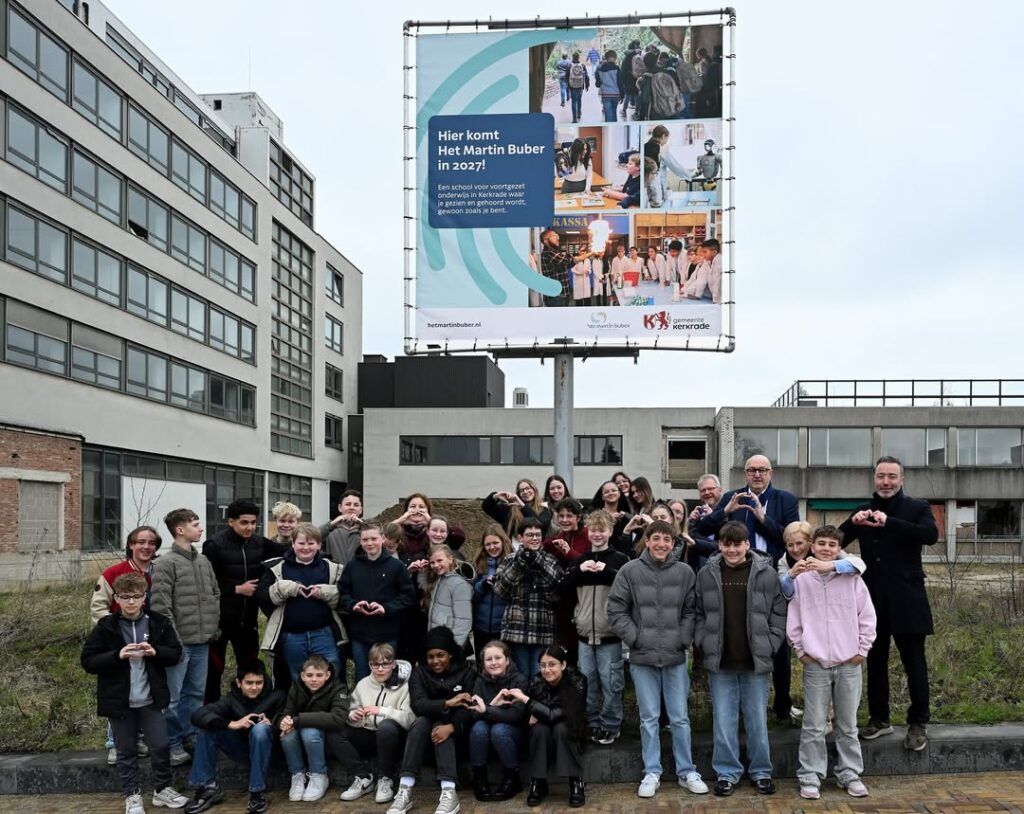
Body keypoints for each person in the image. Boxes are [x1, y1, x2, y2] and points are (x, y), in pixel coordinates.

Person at [839, 455, 939, 751]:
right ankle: (880, 719)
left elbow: (930, 535)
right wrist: (850, 525)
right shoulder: (862, 510)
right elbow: (834, 542)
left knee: (914, 662)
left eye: (892, 477)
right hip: (872, 600)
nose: (886, 482)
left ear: (901, 479)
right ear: (874, 478)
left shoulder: (917, 508)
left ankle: (918, 721)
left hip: (909, 599)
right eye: (881, 476)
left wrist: (889, 522)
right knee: (876, 661)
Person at [694, 454, 800, 724]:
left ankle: (782, 706)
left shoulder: (784, 500)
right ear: (745, 473)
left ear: (770, 473)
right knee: (742, 636)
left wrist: (764, 519)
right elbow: (702, 530)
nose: (756, 475)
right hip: (736, 575)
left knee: (777, 643)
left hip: (772, 574)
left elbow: (793, 540)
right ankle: (744, 709)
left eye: (762, 470)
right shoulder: (733, 496)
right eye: (752, 470)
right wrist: (725, 511)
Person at [606, 520, 708, 799]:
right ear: (647, 540)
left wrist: (682, 638)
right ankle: (652, 771)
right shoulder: (630, 571)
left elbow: (692, 611)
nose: (662, 544)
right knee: (649, 718)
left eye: (668, 539)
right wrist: (636, 638)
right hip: (642, 657)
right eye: (657, 538)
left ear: (674, 543)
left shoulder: (685, 572)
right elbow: (615, 610)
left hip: (675, 656)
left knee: (679, 718)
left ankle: (687, 771)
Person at [81, 571, 188, 813]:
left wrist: (155, 652)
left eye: (136, 596)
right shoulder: (106, 627)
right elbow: (88, 661)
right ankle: (132, 795)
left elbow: (176, 653)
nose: (131, 602)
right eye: (125, 597)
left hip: (151, 699)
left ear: (145, 598)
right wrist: (116, 656)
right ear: (116, 599)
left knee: (161, 745)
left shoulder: (159, 622)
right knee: (126, 750)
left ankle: (162, 790)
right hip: (120, 701)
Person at [695, 521, 787, 797]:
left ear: (747, 544)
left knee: (757, 720)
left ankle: (761, 772)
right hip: (720, 660)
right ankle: (727, 772)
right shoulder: (706, 574)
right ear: (719, 545)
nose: (732, 549)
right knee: (723, 721)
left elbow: (779, 612)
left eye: (737, 544)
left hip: (755, 661)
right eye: (726, 544)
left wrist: (771, 642)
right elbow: (697, 611)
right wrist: (702, 639)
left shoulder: (766, 573)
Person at [788, 525, 877, 801]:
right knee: (813, 724)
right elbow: (794, 620)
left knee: (847, 724)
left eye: (832, 545)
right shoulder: (802, 580)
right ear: (811, 546)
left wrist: (862, 649)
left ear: (839, 550)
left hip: (849, 662)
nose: (826, 548)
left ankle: (849, 773)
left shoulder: (852, 578)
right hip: (816, 664)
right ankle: (810, 775)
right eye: (821, 543)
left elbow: (867, 616)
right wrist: (802, 651)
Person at [151, 508, 220, 766]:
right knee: (173, 698)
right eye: (195, 524)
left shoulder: (202, 561)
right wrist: (173, 640)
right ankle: (173, 743)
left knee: (194, 694)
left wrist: (213, 627)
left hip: (202, 641)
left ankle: (191, 737)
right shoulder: (166, 563)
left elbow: (215, 595)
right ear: (180, 530)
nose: (200, 528)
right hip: (179, 645)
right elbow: (160, 606)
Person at [202, 499, 286, 703]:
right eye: (244, 523)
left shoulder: (260, 543)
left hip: (247, 621)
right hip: (218, 621)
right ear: (231, 521)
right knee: (214, 671)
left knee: (250, 669)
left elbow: (293, 552)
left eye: (253, 523)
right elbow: (204, 585)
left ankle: (249, 709)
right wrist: (237, 589)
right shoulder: (214, 545)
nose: (250, 528)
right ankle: (212, 713)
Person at [91, 525, 162, 765]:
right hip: (119, 645)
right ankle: (116, 743)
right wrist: (112, 633)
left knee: (144, 692)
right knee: (119, 692)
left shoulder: (159, 572)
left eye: (151, 542)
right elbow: (98, 607)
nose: (146, 546)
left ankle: (138, 737)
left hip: (148, 644)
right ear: (131, 545)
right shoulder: (113, 573)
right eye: (140, 541)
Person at [386, 626, 477, 814]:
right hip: (422, 738)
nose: (435, 661)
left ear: (450, 654)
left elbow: (469, 709)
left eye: (440, 655)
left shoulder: (466, 673)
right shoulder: (420, 674)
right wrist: (449, 702)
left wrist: (452, 726)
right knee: (420, 723)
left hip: (456, 735)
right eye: (430, 656)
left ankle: (449, 792)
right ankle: (404, 790)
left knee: (440, 726)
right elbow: (419, 705)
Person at [558, 510, 628, 746]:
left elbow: (628, 588)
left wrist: (606, 572)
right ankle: (593, 724)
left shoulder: (620, 559)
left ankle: (611, 725)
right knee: (588, 684)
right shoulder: (580, 560)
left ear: (610, 531)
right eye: (593, 530)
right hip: (584, 634)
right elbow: (562, 588)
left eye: (602, 529)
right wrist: (579, 570)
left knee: (612, 684)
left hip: (611, 635)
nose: (598, 534)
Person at [184, 660, 285, 814]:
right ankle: (208, 787)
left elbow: (290, 717)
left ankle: (257, 793)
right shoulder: (231, 700)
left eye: (259, 682)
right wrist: (232, 723)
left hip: (272, 752)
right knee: (208, 729)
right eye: (249, 683)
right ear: (239, 683)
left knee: (260, 730)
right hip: (243, 750)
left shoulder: (277, 696)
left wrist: (273, 723)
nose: (254, 687)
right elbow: (198, 715)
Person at [501, 645, 587, 808]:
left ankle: (576, 781)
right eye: (543, 665)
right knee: (540, 729)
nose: (547, 670)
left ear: (563, 665)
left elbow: (557, 714)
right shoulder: (536, 681)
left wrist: (528, 701)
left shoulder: (578, 681)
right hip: (545, 729)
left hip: (573, 727)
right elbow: (531, 717)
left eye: (552, 664)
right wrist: (532, 712)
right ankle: (538, 781)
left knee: (561, 727)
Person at [256, 522, 345, 680]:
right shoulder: (277, 567)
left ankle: (331, 705)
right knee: (297, 678)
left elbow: (344, 597)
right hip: (291, 635)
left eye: (311, 543)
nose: (306, 548)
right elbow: (263, 597)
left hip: (323, 633)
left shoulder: (332, 567)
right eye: (301, 543)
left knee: (331, 674)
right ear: (293, 543)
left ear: (319, 545)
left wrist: (325, 592)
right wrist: (284, 588)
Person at [336, 642, 415, 805]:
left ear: (393, 664)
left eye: (385, 664)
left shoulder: (405, 686)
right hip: (368, 733)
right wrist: (352, 716)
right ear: (369, 665)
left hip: (394, 738)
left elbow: (410, 720)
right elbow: (351, 710)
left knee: (386, 727)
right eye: (375, 664)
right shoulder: (363, 684)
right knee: (335, 730)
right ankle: (363, 777)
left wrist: (382, 711)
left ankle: (385, 778)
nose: (380, 669)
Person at [339, 520, 417, 682]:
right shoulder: (352, 566)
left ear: (382, 538)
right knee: (361, 676)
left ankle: (384, 707)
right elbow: (342, 594)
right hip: (360, 633)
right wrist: (354, 605)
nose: (370, 543)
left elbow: (408, 597)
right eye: (365, 540)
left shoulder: (396, 567)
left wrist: (386, 608)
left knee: (386, 676)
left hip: (387, 633)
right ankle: (363, 707)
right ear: (360, 541)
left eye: (373, 539)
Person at [493, 517, 564, 677]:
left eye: (538, 535)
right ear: (520, 538)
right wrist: (520, 564)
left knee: (540, 673)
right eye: (530, 535)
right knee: (521, 674)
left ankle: (538, 702)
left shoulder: (550, 560)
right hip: (517, 628)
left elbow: (555, 591)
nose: (534, 538)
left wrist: (537, 562)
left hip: (542, 627)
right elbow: (500, 590)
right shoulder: (510, 559)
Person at [276, 655, 347, 802]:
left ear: (327, 675)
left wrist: (298, 720)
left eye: (319, 675)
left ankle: (319, 775)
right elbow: (286, 712)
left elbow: (338, 718)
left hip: (326, 741)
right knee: (286, 734)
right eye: (309, 675)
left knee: (310, 731)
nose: (314, 679)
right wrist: (283, 722)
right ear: (302, 676)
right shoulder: (296, 688)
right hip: (300, 741)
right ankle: (297, 775)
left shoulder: (338, 688)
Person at [468, 640, 529, 801]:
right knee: (478, 727)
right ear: (483, 663)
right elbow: (473, 715)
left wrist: (487, 709)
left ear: (507, 660)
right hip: (484, 735)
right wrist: (494, 704)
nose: (494, 663)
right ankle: (479, 779)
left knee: (499, 729)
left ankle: (512, 778)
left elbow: (515, 716)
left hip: (513, 734)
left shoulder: (519, 680)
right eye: (489, 659)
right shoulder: (480, 682)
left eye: (498, 658)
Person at [778, 520, 866, 599]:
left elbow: (859, 564)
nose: (795, 549)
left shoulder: (822, 550)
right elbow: (784, 592)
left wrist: (829, 565)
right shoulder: (784, 561)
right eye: (790, 545)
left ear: (810, 542)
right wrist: (790, 575)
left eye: (799, 543)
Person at [471, 525, 513, 657]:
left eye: (495, 543)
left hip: (503, 627)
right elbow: (472, 594)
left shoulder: (512, 562)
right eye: (488, 544)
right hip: (481, 627)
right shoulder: (478, 564)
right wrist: (483, 585)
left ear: (503, 542)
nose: (492, 547)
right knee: (483, 663)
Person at [424, 544, 473, 651]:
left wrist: (455, 646)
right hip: (438, 640)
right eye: (432, 562)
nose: (436, 565)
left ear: (450, 559)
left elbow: (463, 620)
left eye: (440, 560)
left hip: (450, 644)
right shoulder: (440, 579)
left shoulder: (459, 584)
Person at [481, 479, 549, 538]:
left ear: (534, 489)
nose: (525, 492)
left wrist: (523, 506)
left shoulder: (544, 509)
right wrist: (495, 496)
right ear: (518, 494)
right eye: (521, 490)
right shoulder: (510, 510)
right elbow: (486, 507)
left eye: (528, 488)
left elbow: (540, 524)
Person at [322, 489, 364, 566]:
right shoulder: (329, 530)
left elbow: (381, 537)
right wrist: (331, 525)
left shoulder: (366, 529)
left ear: (361, 509)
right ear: (340, 508)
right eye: (348, 504)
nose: (352, 507)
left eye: (356, 505)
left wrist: (363, 525)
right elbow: (312, 536)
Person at [681, 238, 723, 304]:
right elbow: (695, 279)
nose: (703, 255)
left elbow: (717, 283)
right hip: (712, 297)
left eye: (705, 252)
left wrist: (715, 300)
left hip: (720, 298)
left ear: (714, 252)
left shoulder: (719, 262)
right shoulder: (707, 262)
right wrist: (685, 291)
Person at [594, 49, 621, 122]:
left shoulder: (600, 68)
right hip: (615, 94)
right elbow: (620, 83)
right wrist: (622, 94)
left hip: (605, 94)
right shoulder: (617, 68)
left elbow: (597, 84)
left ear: (606, 58)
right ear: (615, 58)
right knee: (614, 113)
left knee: (608, 115)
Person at [566, 51, 589, 123]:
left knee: (573, 102)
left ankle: (574, 119)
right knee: (579, 100)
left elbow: (567, 76)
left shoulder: (569, 65)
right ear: (579, 57)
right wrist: (587, 85)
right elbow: (587, 76)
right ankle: (579, 114)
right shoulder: (582, 65)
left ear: (572, 57)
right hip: (580, 86)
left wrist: (568, 85)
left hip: (572, 86)